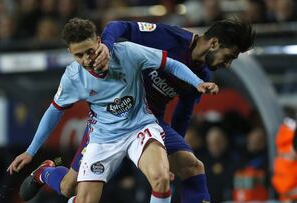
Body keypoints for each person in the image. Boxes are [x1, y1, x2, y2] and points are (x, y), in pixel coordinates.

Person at [29, 19, 254, 203]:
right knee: (69, 187)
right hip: (112, 120)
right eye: (230, 56)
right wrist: (105, 46)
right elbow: (120, 26)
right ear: (214, 43)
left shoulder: (202, 77)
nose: (227, 64)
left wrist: (168, 152)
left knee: (192, 166)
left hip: (148, 122)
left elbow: (183, 114)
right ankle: (46, 171)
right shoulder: (169, 37)